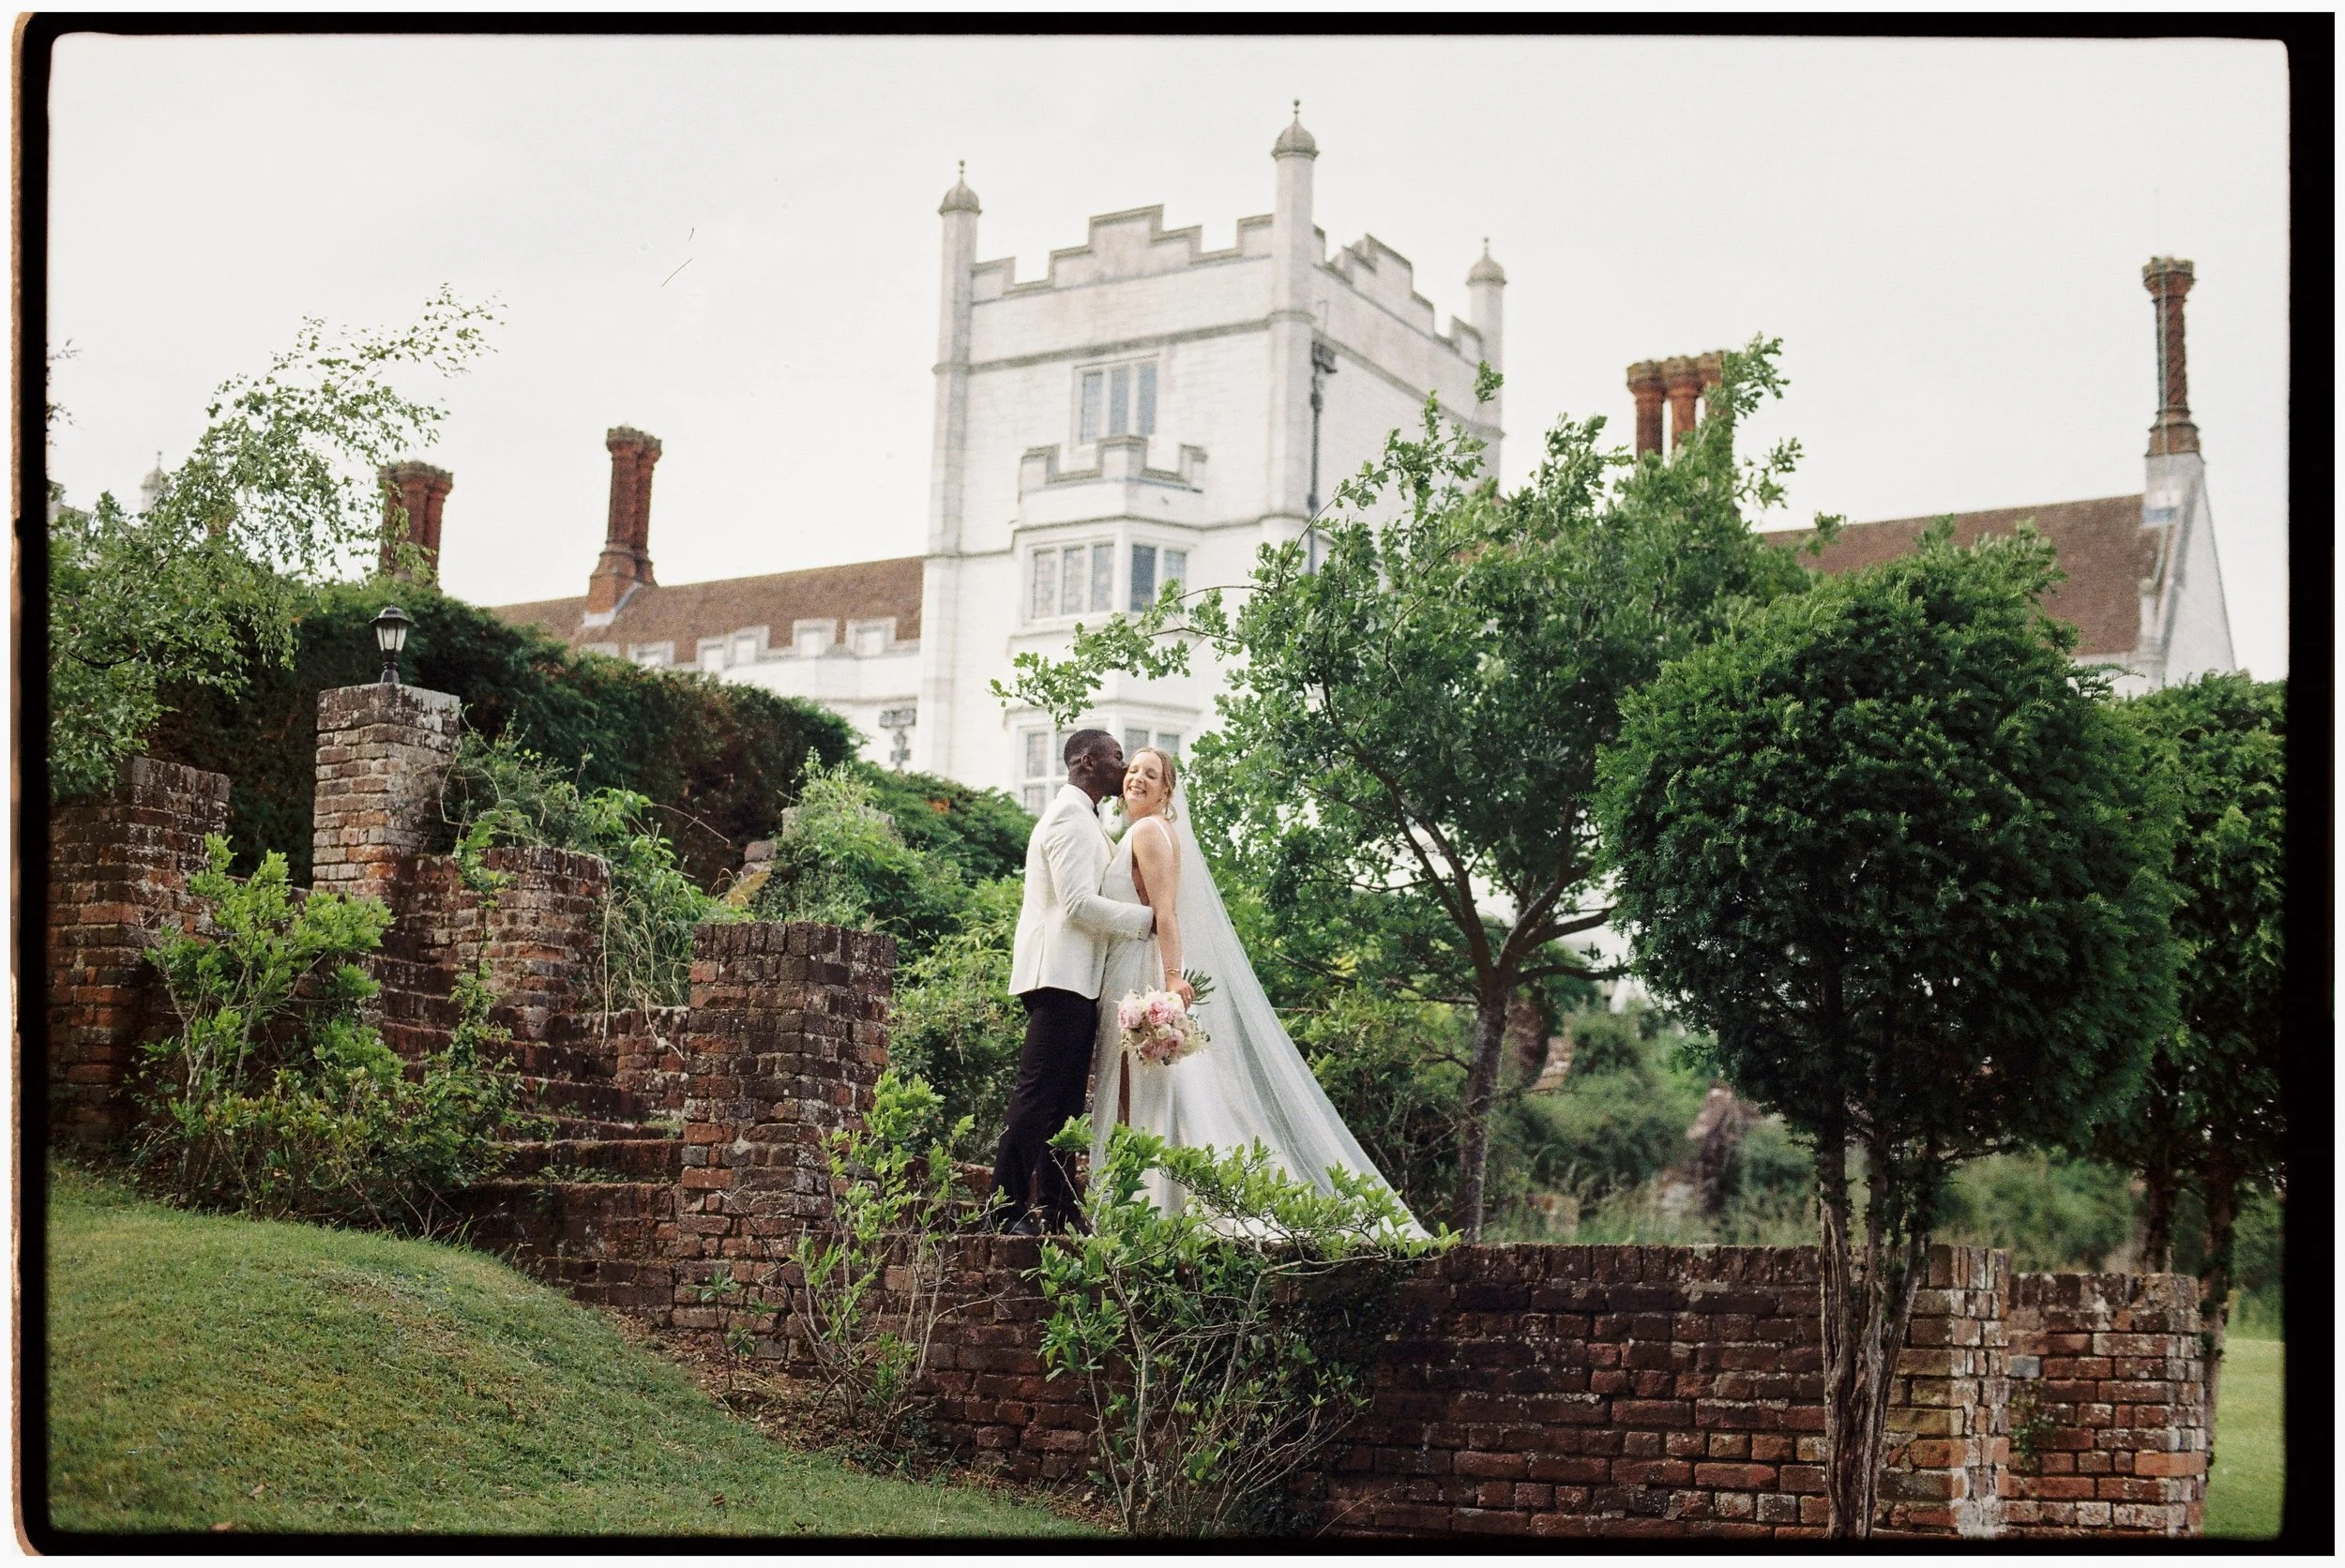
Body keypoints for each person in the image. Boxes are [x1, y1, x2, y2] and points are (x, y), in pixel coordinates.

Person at [1088, 746, 1424, 1234]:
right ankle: (1155, 1207)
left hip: (1141, 971)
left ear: (1167, 790)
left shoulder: (1147, 831)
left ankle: (1141, 1212)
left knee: (1140, 1094)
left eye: (1151, 774)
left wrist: (1170, 980)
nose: (1137, 779)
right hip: (1134, 966)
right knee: (1153, 1096)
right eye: (1133, 771)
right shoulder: (1150, 830)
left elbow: (1166, 911)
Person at [987, 730, 1157, 1234]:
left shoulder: (1086, 819)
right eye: (1116, 757)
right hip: (1057, 975)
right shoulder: (1066, 817)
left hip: (1078, 980)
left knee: (1064, 1104)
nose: (1124, 767)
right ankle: (1003, 1211)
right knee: (1038, 1096)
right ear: (1085, 761)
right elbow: (1077, 904)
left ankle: (1059, 1212)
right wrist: (1147, 921)